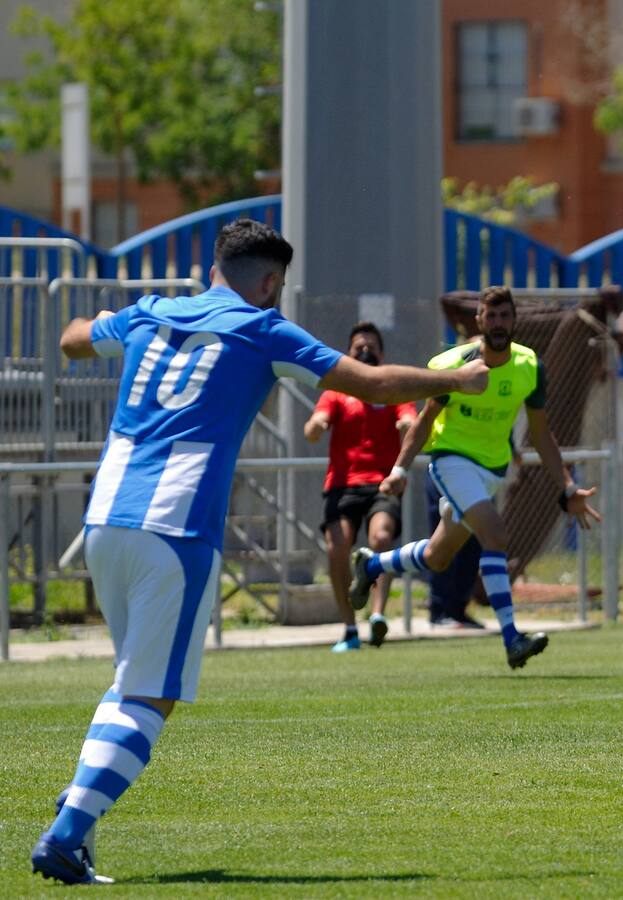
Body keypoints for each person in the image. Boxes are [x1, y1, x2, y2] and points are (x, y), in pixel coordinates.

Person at [31, 218, 489, 885]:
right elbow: (371, 383)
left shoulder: (151, 312)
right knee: (149, 696)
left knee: (130, 682)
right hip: (176, 526)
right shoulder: (261, 328)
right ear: (271, 283)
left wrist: (101, 322)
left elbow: (73, 339)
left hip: (104, 518)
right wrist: (458, 381)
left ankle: (81, 801)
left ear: (212, 267)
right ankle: (68, 831)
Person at [348, 285, 602, 669]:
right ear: (479, 320)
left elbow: (541, 433)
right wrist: (399, 469)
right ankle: (512, 638)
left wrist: (567, 486)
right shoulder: (455, 364)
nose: (498, 323)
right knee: (495, 533)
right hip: (451, 461)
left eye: (504, 315)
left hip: (491, 471)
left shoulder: (529, 366)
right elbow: (425, 420)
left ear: (514, 320)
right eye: (491, 316)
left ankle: (371, 566)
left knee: (437, 556)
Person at [303, 322, 419, 651]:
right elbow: (315, 425)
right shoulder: (337, 391)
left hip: (383, 483)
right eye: (359, 348)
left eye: (371, 348)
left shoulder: (393, 388)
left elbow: (410, 419)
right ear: (348, 354)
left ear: (382, 354)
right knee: (336, 546)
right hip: (343, 485)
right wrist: (316, 425)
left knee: (381, 537)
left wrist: (406, 424)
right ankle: (349, 628)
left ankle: (377, 615)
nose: (365, 352)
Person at [424, 472, 485, 628]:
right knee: (443, 545)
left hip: (474, 477)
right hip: (446, 472)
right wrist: (400, 470)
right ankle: (439, 610)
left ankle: (458, 610)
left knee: (472, 544)